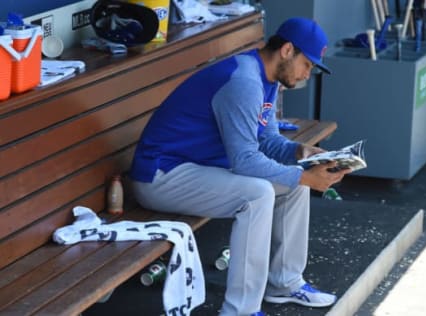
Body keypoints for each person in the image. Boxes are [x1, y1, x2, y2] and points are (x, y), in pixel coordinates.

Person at [129, 17, 351, 316]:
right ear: (287, 50)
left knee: (293, 184)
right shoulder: (244, 82)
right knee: (258, 194)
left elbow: (266, 140)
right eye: (307, 64)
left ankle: (284, 283)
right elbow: (245, 160)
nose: (306, 74)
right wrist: (304, 176)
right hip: (161, 176)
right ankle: (240, 311)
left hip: (196, 169)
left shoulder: (266, 79)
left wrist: (300, 153)